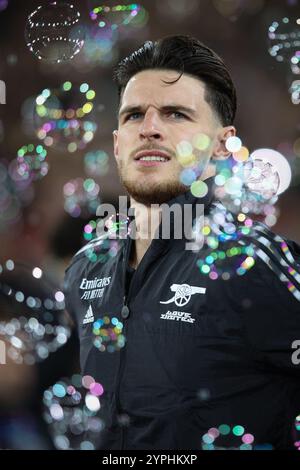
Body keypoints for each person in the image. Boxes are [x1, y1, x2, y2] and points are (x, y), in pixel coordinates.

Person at [64, 35, 300, 450]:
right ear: (118, 144)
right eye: (134, 115)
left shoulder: (261, 263)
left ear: (224, 145)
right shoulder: (85, 269)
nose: (150, 128)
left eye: (175, 114)